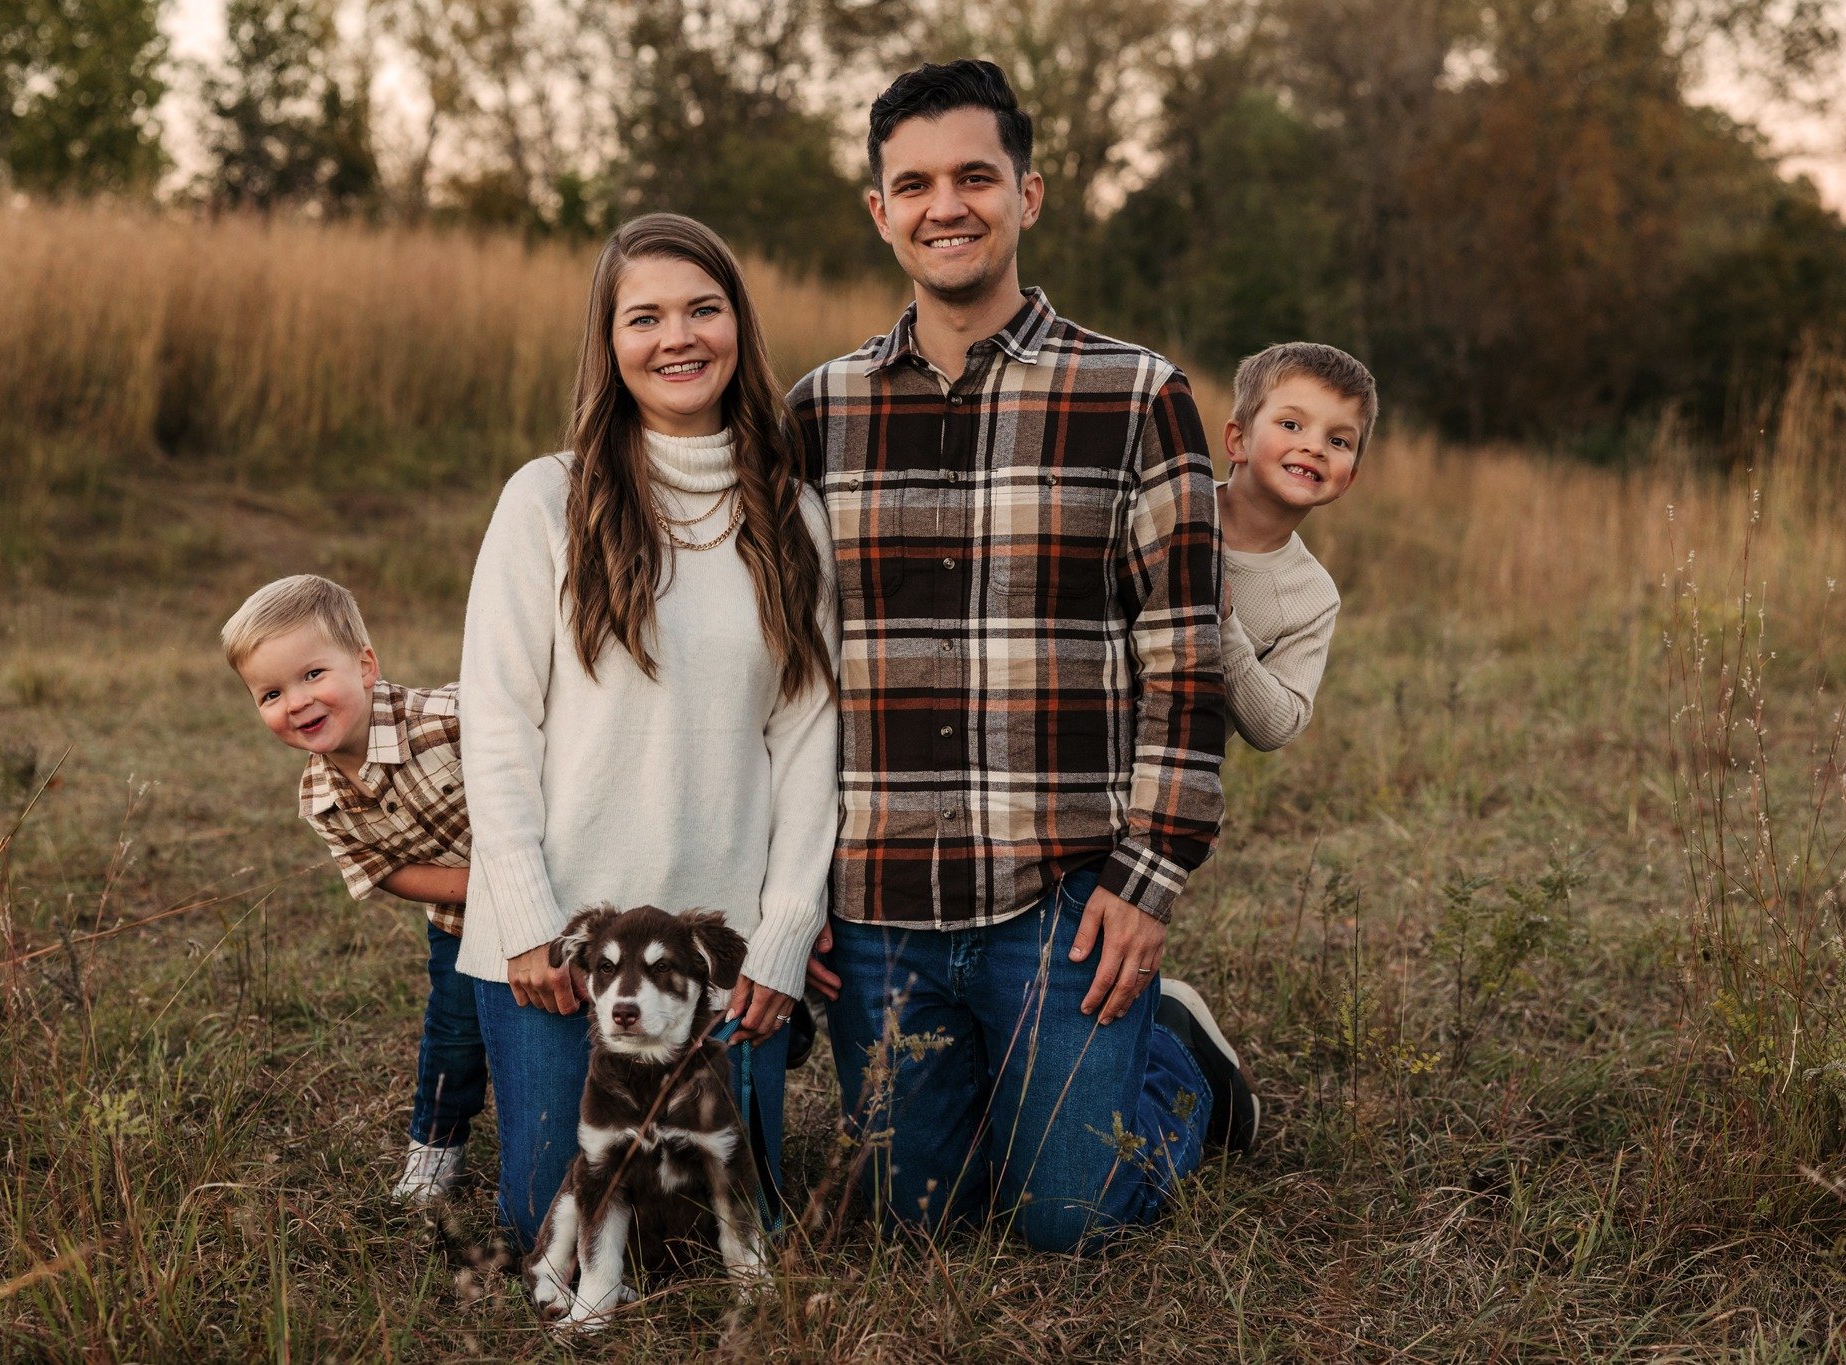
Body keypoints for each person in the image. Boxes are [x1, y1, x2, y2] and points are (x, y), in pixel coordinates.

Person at [791, 59, 1256, 1253]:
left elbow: (1183, 662)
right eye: (913, 184)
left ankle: (1181, 1066)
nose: (944, 205)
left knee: (1070, 1219)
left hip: (1058, 895)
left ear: (1027, 195)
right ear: (879, 211)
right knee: (910, 1223)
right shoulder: (816, 413)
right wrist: (787, 891)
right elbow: (781, 676)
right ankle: (1039, 1089)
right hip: (879, 905)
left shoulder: (1136, 395)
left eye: (974, 177)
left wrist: (1146, 884)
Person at [457, 213, 839, 1248]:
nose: (678, 337)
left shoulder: (792, 516)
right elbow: (495, 720)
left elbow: (809, 740)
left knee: (715, 1228)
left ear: (738, 326)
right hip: (561, 942)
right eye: (645, 317)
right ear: (609, 341)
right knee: (551, 1230)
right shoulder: (547, 500)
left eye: (702, 310)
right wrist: (528, 919)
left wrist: (782, 936)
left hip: (714, 954)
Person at [222, 574, 485, 1204]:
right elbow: (384, 871)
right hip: (459, 923)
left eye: (313, 674)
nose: (295, 702)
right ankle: (435, 1150)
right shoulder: (321, 799)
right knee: (452, 1035)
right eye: (270, 694)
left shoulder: (453, 719)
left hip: (563, 897)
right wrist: (485, 887)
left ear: (365, 666)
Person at [1215, 341, 1377, 752]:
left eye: (1338, 441)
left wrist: (1225, 625)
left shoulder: (1312, 598)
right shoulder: (1170, 507)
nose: (1315, 447)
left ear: (1348, 480)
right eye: (1291, 425)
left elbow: (1277, 727)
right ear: (1239, 440)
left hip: (1174, 772)